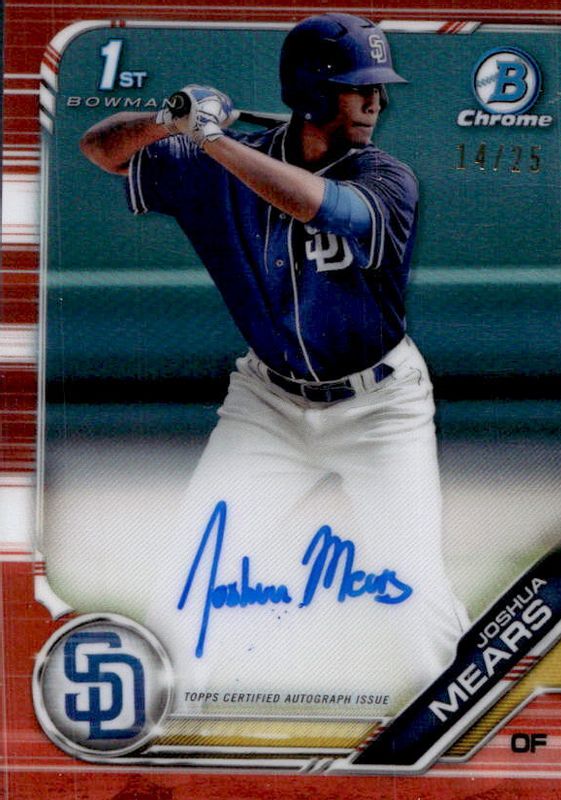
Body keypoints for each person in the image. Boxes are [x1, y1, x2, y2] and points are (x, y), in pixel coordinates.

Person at [80, 13, 468, 717]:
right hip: (265, 402)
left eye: (377, 88)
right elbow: (100, 148)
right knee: (189, 583)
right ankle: (159, 743)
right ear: (312, 93)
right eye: (359, 88)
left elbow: (322, 207)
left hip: (380, 408)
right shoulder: (213, 160)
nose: (377, 102)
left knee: (416, 600)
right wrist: (168, 120)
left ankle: (458, 738)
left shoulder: (388, 178)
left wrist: (211, 140)